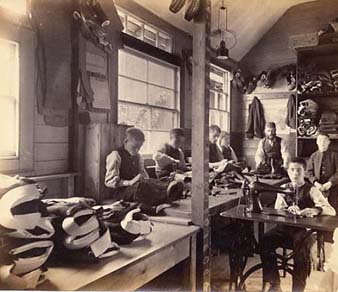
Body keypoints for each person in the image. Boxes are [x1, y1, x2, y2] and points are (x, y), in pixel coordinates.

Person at [260, 157, 336, 292]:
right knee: (265, 240)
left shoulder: (311, 190)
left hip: (303, 231)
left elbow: (331, 210)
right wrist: (286, 209)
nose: (295, 173)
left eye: (299, 170)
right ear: (288, 171)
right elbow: (278, 208)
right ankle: (274, 284)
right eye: (292, 170)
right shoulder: (284, 188)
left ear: (305, 172)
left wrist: (314, 210)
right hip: (284, 228)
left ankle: (298, 288)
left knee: (300, 246)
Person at [105, 127, 183, 208]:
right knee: (142, 187)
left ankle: (168, 192)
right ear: (126, 141)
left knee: (155, 182)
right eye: (135, 146)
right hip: (122, 191)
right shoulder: (115, 155)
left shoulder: (138, 157)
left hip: (137, 187)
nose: (137, 150)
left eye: (140, 147)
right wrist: (129, 182)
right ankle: (167, 195)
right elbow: (109, 181)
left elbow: (144, 174)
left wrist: (149, 181)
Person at [307, 133, 338, 213]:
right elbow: (309, 172)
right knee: (317, 207)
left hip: (333, 187)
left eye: (325, 140)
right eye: (320, 140)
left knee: (333, 207)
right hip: (317, 187)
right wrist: (315, 183)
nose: (322, 142)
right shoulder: (313, 156)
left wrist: (330, 183)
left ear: (329, 142)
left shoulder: (335, 155)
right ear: (317, 142)